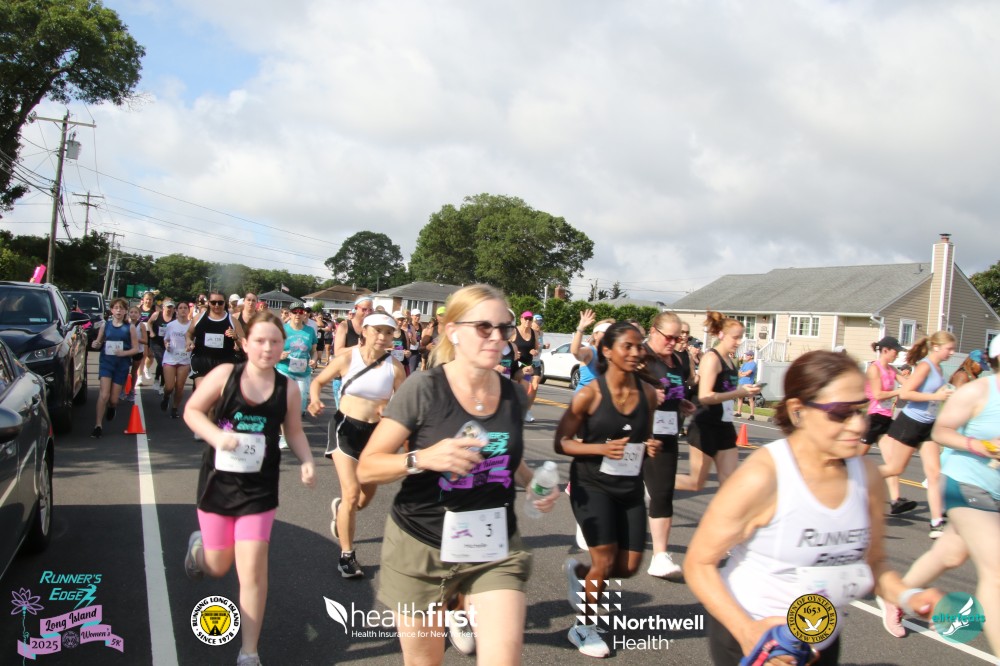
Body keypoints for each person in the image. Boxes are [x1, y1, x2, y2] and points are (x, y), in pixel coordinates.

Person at [685, 350, 943, 665]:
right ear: (798, 411)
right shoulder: (764, 476)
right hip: (756, 637)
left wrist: (909, 596)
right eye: (840, 413)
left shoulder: (867, 476)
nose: (858, 425)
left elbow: (874, 563)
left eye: (860, 410)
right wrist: (746, 631)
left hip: (821, 636)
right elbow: (699, 564)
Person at [356, 285, 557, 666]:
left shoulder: (514, 395)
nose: (497, 337)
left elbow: (504, 456)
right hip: (420, 545)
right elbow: (368, 466)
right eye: (483, 327)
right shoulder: (424, 388)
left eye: (504, 328)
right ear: (453, 331)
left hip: (494, 545)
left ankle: (461, 611)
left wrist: (532, 483)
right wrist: (423, 457)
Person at [183, 311, 316, 666]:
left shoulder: (288, 388)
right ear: (245, 344)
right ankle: (198, 550)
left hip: (260, 489)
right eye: (259, 341)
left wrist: (306, 460)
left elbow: (294, 431)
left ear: (283, 346)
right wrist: (216, 436)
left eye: (275, 341)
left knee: (253, 569)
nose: (267, 348)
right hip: (218, 483)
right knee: (217, 566)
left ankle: (249, 651)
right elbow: (193, 411)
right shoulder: (226, 375)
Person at [878, 337, 1000, 656]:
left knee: (951, 555)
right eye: (947, 346)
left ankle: (897, 596)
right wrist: (981, 446)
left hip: (995, 490)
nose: (951, 350)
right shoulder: (979, 391)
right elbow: (941, 430)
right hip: (966, 483)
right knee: (996, 571)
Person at [556, 321, 661, 657]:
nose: (636, 352)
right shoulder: (591, 394)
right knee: (604, 560)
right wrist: (600, 448)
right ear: (607, 351)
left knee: (628, 567)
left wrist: (650, 444)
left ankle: (581, 572)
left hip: (629, 487)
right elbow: (562, 442)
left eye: (639, 345)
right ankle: (582, 628)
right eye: (627, 346)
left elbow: (641, 435)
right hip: (591, 485)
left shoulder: (647, 394)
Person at [308, 312, 405, 578]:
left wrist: (391, 409)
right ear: (365, 331)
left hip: (376, 437)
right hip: (346, 429)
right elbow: (318, 381)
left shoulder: (395, 367)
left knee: (363, 499)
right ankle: (347, 557)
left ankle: (342, 510)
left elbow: (403, 404)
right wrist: (315, 399)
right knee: (351, 493)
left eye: (388, 332)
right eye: (378, 330)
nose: (383, 336)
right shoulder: (348, 358)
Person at [878, 331, 956, 538]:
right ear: (936, 347)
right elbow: (906, 393)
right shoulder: (925, 367)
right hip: (910, 423)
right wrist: (936, 396)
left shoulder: (938, 368)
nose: (952, 352)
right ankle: (857, 480)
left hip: (928, 425)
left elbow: (935, 396)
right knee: (895, 468)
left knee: (934, 474)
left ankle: (936, 522)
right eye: (949, 348)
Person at [675, 312, 760, 492]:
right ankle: (651, 484)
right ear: (721, 334)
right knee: (696, 483)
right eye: (735, 337)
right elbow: (705, 396)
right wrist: (739, 392)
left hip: (725, 425)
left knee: (730, 484)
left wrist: (747, 390)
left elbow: (726, 390)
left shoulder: (731, 361)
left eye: (741, 337)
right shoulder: (712, 358)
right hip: (705, 426)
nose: (738, 342)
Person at [639, 312, 695, 580]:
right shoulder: (640, 356)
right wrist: (647, 395)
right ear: (653, 331)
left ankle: (659, 556)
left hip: (667, 434)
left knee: (662, 493)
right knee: (616, 489)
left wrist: (680, 402)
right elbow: (618, 388)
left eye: (679, 337)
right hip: (637, 434)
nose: (674, 342)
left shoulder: (679, 361)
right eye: (669, 337)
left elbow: (673, 391)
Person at [90, 297, 141, 438]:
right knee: (104, 394)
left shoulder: (130, 328)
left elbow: (136, 349)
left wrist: (124, 353)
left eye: (121, 308)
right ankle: (98, 425)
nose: (118, 310)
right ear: (111, 310)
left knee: (113, 399)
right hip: (106, 362)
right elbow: (98, 342)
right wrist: (95, 344)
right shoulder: (105, 325)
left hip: (121, 365)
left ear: (125, 311)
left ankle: (112, 407)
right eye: (116, 308)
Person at [160, 300, 192, 418]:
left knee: (179, 386)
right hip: (170, 357)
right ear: (176, 311)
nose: (183, 310)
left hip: (184, 359)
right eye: (180, 308)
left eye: (185, 308)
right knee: (169, 387)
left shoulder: (192, 325)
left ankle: (175, 408)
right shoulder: (171, 325)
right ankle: (166, 396)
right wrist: (167, 345)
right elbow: (166, 339)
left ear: (188, 310)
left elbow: (194, 340)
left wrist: (191, 346)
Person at [569, 309, 614, 393]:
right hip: (585, 396)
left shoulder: (612, 355)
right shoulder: (590, 351)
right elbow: (575, 351)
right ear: (595, 335)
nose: (608, 336)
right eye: (605, 332)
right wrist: (581, 328)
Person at [512, 311, 540, 421]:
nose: (528, 321)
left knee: (523, 391)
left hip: (527, 366)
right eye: (526, 318)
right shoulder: (514, 331)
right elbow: (505, 345)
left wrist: (535, 351)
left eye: (530, 319)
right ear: (521, 319)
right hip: (514, 365)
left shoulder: (534, 333)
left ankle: (523, 412)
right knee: (512, 390)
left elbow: (536, 347)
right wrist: (514, 352)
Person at [125, 305, 149, 401]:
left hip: (138, 351)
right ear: (128, 314)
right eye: (131, 312)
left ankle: (132, 390)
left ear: (139, 315)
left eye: (136, 312)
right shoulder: (126, 324)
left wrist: (135, 338)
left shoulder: (141, 325)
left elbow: (145, 341)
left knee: (134, 371)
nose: (133, 314)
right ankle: (122, 389)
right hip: (127, 350)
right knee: (124, 370)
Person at [735, 350, 758, 419]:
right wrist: (742, 374)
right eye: (746, 355)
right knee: (740, 398)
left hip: (748, 383)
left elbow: (748, 373)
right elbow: (739, 373)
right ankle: (739, 413)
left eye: (748, 355)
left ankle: (752, 415)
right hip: (741, 382)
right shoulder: (745, 364)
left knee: (750, 399)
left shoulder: (753, 364)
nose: (746, 356)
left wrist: (743, 374)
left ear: (752, 356)